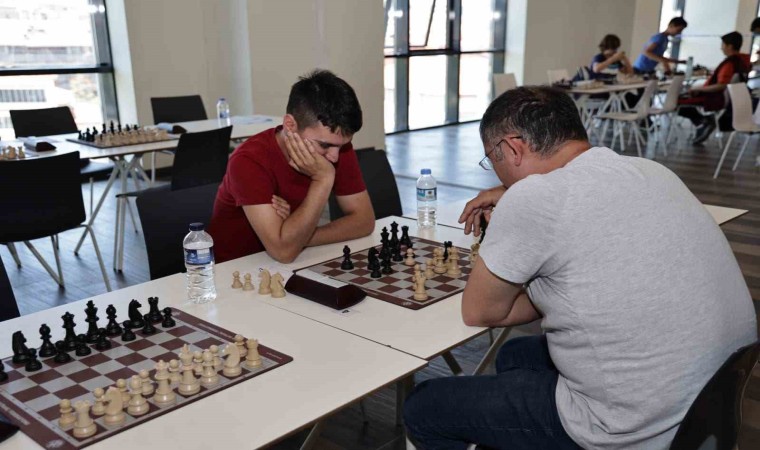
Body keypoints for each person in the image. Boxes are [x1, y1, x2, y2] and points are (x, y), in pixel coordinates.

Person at [403, 86, 756, 449]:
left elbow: (480, 311)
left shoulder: (534, 198)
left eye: (492, 159)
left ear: (512, 148)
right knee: (514, 355)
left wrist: (513, 207)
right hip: (706, 404)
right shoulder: (650, 169)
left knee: (423, 407)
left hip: (629, 427)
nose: (497, 173)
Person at [207, 70, 375, 264]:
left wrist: (297, 236)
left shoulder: (335, 146)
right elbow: (284, 252)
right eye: (324, 145)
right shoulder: (248, 160)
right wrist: (323, 179)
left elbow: (364, 221)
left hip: (293, 261)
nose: (334, 157)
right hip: (234, 268)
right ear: (290, 125)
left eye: (342, 145)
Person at [678, 31, 751, 144]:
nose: (721, 48)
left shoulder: (729, 64)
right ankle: (703, 123)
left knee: (677, 101)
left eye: (723, 45)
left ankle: (702, 122)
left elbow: (720, 85)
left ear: (729, 46)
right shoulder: (743, 61)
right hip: (729, 98)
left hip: (716, 97)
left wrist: (698, 89)